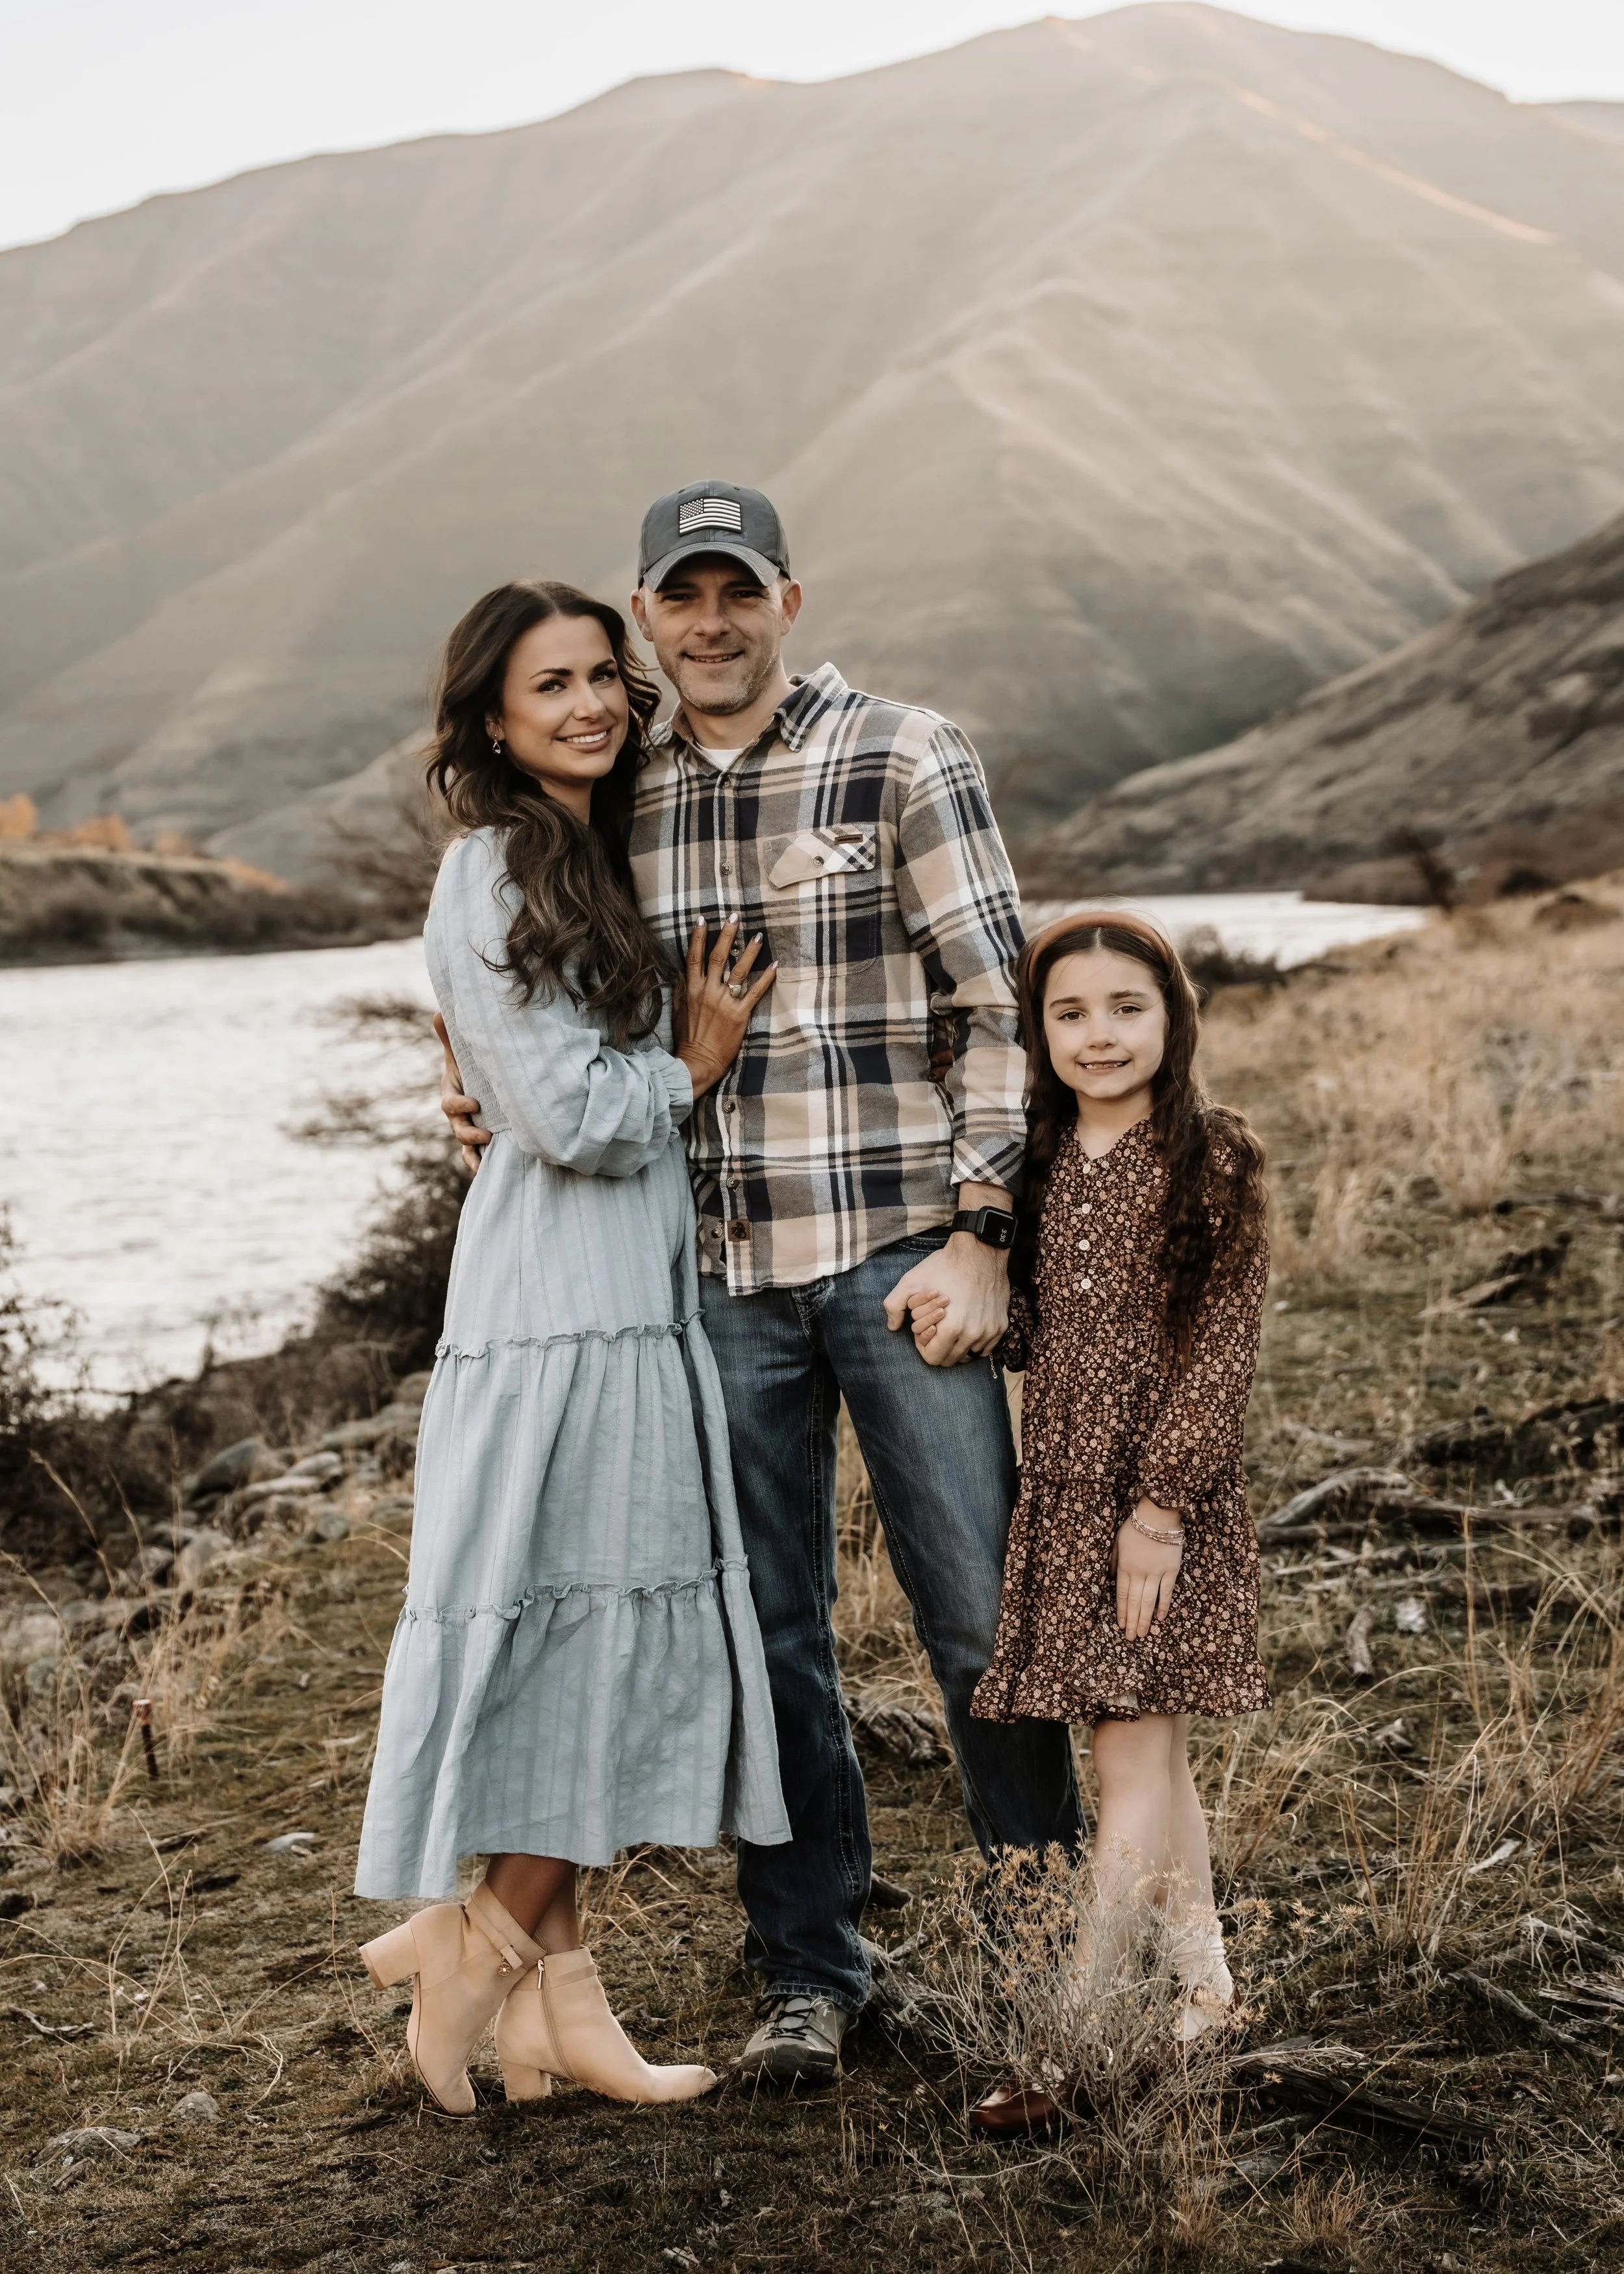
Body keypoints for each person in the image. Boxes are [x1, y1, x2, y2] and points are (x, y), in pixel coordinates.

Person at [441, 480, 1083, 2090]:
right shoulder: (618, 791)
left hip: (894, 1253)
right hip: (710, 1277)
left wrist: (984, 1230)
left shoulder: (900, 754)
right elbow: (543, 997)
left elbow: (997, 1010)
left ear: (788, 598)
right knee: (764, 1631)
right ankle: (812, 1965)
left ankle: (1044, 1943)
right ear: (647, 615)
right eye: (680, 597)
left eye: (739, 591)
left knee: (979, 1616)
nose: (708, 622)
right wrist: (478, 1093)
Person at [354, 578, 789, 2117]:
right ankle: (472, 1941)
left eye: (606, 675)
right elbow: (570, 1117)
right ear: (490, 714)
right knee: (584, 1614)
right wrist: (693, 1062)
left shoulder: (586, 848)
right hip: (559, 1300)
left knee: (583, 1612)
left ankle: (557, 2008)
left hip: (623, 1290)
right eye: (553, 685)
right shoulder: (490, 868)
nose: (593, 702)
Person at [959, 910, 1271, 2128]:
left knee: (1126, 1757)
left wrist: (1160, 1508)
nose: (1100, 1035)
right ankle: (1207, 1995)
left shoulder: (1214, 1156)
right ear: (1039, 1033)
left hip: (1161, 1505)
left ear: (1172, 1017)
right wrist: (963, 1313)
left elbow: (1219, 1350)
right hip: (1063, 1496)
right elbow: (1050, 1329)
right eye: (1070, 1013)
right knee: (1155, 1752)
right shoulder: (1035, 1165)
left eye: (1126, 1008)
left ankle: (1073, 2038)